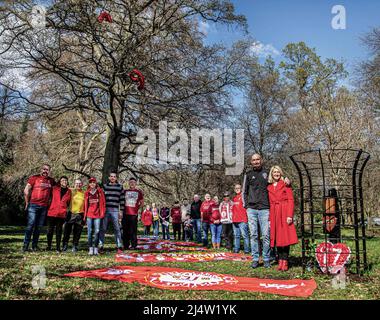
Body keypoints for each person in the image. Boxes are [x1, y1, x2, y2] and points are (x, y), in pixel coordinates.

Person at [243, 154, 290, 269]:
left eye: (258, 159)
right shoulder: (248, 175)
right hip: (252, 209)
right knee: (253, 235)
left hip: (265, 209)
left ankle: (266, 258)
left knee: (266, 235)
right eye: (253, 160)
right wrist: (247, 207)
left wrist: (287, 180)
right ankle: (255, 259)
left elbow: (277, 181)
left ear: (261, 160)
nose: (256, 161)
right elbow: (244, 192)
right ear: (251, 162)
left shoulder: (267, 174)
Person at [267, 166, 298, 271]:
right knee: (277, 238)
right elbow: (270, 203)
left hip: (284, 212)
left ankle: (285, 261)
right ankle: (280, 261)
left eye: (278, 172)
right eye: (274, 172)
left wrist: (290, 215)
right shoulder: (269, 187)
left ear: (281, 173)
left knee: (285, 238)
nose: (276, 174)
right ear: (271, 174)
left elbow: (291, 200)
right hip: (274, 213)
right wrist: (270, 219)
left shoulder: (285, 184)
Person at [23, 164, 56, 252]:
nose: (45, 171)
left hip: (44, 207)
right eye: (44, 169)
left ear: (49, 171)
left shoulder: (51, 181)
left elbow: (59, 189)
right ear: (41, 169)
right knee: (30, 225)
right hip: (33, 205)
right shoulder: (34, 178)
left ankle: (34, 246)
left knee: (38, 227)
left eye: (47, 170)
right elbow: (26, 190)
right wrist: (27, 203)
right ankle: (25, 246)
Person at [99, 172, 124, 254]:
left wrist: (121, 211)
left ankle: (119, 245)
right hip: (106, 210)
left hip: (115, 210)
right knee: (103, 228)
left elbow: (122, 199)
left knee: (117, 229)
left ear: (116, 178)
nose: (113, 178)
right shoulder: (105, 186)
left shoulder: (120, 187)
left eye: (114, 176)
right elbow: (101, 199)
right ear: (109, 178)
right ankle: (101, 245)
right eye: (111, 176)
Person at [46, 176, 72, 252]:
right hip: (52, 212)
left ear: (67, 182)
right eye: (62, 180)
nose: (64, 181)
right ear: (60, 182)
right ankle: (49, 246)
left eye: (66, 180)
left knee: (59, 231)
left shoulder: (69, 191)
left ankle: (58, 248)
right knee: (49, 231)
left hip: (61, 214)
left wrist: (67, 211)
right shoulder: (54, 189)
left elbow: (69, 202)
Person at [84, 177, 106, 256]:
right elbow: (85, 205)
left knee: (97, 231)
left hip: (97, 215)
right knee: (89, 232)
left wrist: (102, 213)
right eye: (91, 182)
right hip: (89, 215)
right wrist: (85, 215)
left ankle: (95, 248)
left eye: (93, 182)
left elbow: (103, 203)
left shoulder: (99, 192)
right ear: (89, 184)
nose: (92, 184)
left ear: (95, 183)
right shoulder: (87, 193)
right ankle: (90, 248)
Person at [62, 178, 85, 252]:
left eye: (79, 183)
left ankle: (75, 246)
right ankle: (65, 245)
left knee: (77, 232)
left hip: (80, 214)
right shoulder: (70, 191)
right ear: (74, 184)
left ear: (82, 184)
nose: (78, 184)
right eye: (76, 183)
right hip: (70, 213)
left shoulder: (84, 193)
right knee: (67, 231)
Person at [121, 177, 144, 249]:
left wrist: (137, 209)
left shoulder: (139, 192)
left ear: (135, 183)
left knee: (133, 230)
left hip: (134, 214)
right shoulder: (125, 191)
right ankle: (126, 245)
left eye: (133, 182)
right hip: (125, 214)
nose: (132, 184)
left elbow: (142, 203)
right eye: (130, 182)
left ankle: (134, 245)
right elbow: (121, 201)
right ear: (128, 183)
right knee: (125, 230)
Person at [232, 184, 250, 254]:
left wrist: (247, 219)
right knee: (236, 236)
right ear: (234, 189)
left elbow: (247, 208)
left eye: (238, 188)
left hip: (242, 220)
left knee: (245, 236)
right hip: (235, 220)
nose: (237, 189)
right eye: (236, 188)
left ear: (241, 189)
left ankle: (246, 250)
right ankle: (236, 249)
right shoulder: (234, 198)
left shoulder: (244, 197)